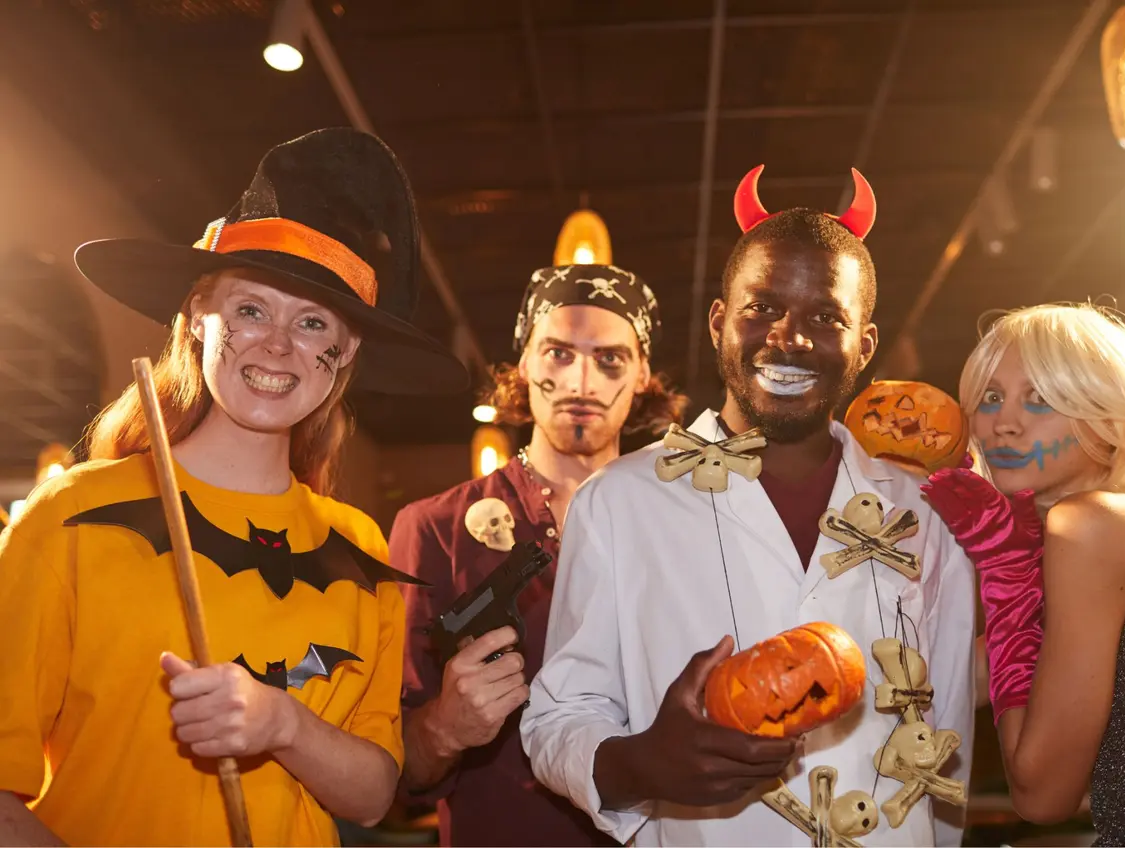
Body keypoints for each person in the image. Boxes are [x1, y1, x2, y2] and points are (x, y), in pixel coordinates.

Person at [0, 128, 470, 846]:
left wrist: (283, 724)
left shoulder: (358, 547)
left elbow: (375, 794)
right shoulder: (73, 513)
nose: (279, 345)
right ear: (196, 318)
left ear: (342, 359)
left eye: (314, 323)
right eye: (251, 309)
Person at [520, 166, 977, 846]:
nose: (789, 336)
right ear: (719, 323)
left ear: (865, 348)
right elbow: (560, 716)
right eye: (761, 307)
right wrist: (640, 763)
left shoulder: (924, 516)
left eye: (826, 316)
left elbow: (949, 732)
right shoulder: (619, 502)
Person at [389, 263, 687, 846]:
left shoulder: (683, 527)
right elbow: (394, 772)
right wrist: (447, 727)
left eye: (609, 359)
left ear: (643, 373)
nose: (581, 381)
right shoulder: (434, 529)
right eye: (557, 353)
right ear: (524, 363)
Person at [921, 303, 1125, 846]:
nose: (1004, 421)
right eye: (991, 397)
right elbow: (936, 685)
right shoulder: (1102, 532)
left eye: (1042, 398)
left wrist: (1005, 579)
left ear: (1110, 421)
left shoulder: (1093, 526)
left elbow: (1041, 795)